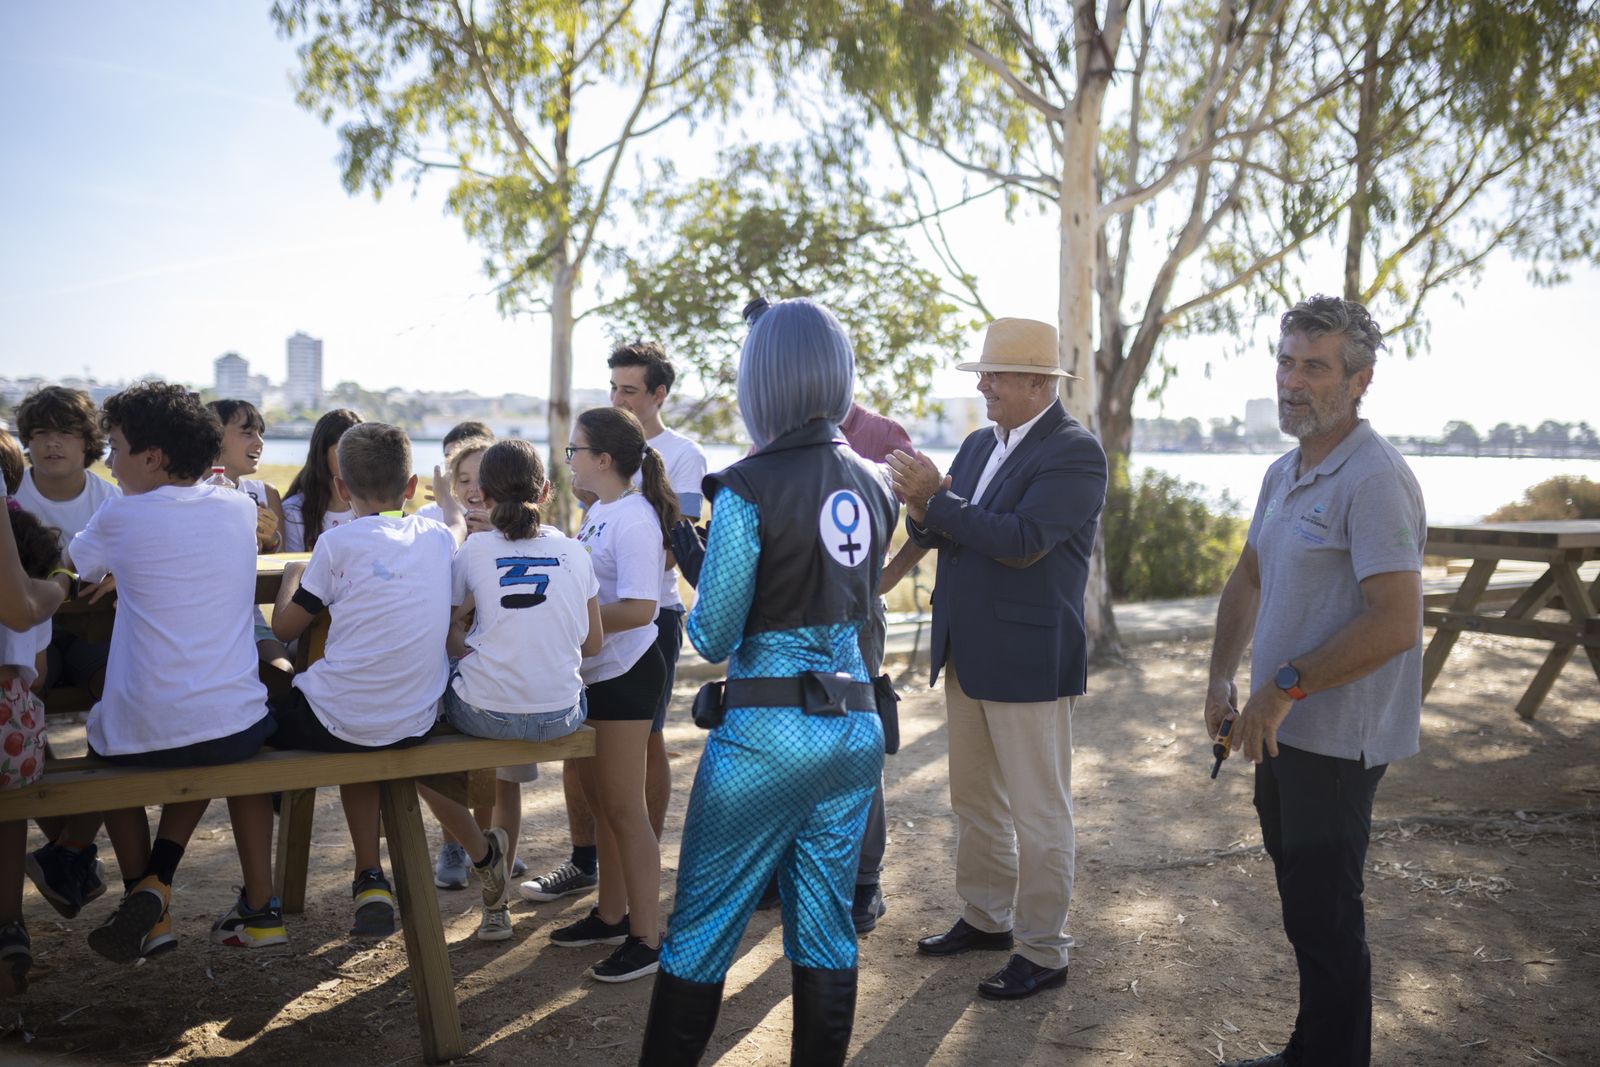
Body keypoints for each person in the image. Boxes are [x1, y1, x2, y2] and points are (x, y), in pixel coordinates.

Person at [639, 298, 896, 1065]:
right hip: (853, 726)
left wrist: (697, 559)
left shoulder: (746, 485)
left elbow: (715, 633)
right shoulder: (876, 481)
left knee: (703, 926)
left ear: (762, 381)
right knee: (823, 922)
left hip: (765, 733)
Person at [1204, 296, 1425, 1067]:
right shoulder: (1282, 471)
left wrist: (1283, 686)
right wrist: (1221, 676)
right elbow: (1249, 575)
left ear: (1359, 380)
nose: (1293, 381)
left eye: (1315, 366)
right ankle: (1313, 1049)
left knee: (1328, 915)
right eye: (1286, 361)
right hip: (1278, 732)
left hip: (1338, 739)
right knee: (1304, 909)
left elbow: (1396, 620)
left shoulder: (1375, 479)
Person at [886, 316, 1107, 1001]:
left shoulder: (1076, 452)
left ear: (1040, 383)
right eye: (982, 374)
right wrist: (921, 508)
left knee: (1040, 810)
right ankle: (986, 918)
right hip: (967, 649)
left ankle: (1044, 949)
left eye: (995, 375)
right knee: (974, 799)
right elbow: (948, 530)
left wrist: (937, 500)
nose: (982, 386)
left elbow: (1021, 540)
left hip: (1029, 656)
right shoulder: (982, 444)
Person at [64, 381, 279, 964]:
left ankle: (148, 895)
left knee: (108, 741)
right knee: (201, 736)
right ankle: (155, 887)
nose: (108, 463)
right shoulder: (238, 506)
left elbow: (78, 566)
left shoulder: (120, 515)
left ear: (152, 457)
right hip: (236, 727)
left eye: (114, 448)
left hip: (139, 737)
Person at [520, 341, 706, 903]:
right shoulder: (608, 493)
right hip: (602, 633)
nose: (619, 397)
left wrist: (576, 619)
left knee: (641, 753)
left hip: (645, 628)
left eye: (630, 389)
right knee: (586, 761)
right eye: (614, 387)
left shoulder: (677, 458)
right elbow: (592, 555)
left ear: (658, 394)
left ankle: (634, 882)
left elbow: (675, 548)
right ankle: (590, 865)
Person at [262, 422, 455, 941]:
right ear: (411, 486)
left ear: (342, 489)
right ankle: (368, 877)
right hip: (415, 718)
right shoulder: (438, 538)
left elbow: (285, 629)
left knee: (263, 721)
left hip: (340, 720)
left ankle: (260, 896)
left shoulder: (336, 542)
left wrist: (290, 578)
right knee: (355, 716)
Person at [418, 439, 601, 942]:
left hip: (486, 713)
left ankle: (478, 853)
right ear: (544, 490)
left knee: (406, 735)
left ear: (484, 495)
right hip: (561, 714)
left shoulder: (475, 548)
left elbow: (447, 631)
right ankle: (491, 882)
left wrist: (476, 649)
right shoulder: (572, 548)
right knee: (507, 761)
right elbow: (593, 642)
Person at [545, 406, 675, 984]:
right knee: (603, 806)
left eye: (575, 451)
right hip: (598, 673)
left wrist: (576, 624)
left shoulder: (634, 518)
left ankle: (648, 939)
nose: (568, 460)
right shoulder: (600, 511)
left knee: (625, 808)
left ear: (602, 459)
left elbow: (643, 607)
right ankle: (611, 915)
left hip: (628, 671)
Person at [0, 441, 70, 994]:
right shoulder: (28, 571)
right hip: (12, 745)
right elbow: (39, 675)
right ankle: (9, 924)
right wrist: (60, 584)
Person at [206, 399, 292, 672]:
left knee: (281, 673)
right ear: (212, 434)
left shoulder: (266, 493)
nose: (259, 442)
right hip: (203, 621)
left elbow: (282, 559)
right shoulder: (187, 491)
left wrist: (271, 541)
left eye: (260, 433)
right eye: (247, 432)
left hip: (249, 616)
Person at [12, 385, 120, 551]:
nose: (52, 443)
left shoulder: (114, 503)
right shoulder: (8, 498)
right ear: (27, 440)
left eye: (65, 432)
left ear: (88, 440)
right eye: (41, 432)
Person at [281, 408, 362, 553]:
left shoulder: (373, 507)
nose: (354, 460)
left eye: (361, 451)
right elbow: (293, 569)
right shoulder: (294, 511)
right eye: (343, 451)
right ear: (321, 454)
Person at [416, 420, 494, 524]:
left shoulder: (510, 521)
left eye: (461, 455)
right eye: (448, 456)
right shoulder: (427, 515)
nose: (453, 463)